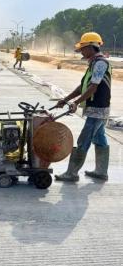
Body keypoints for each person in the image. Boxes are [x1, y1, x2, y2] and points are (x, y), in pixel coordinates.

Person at [55, 32, 111, 182]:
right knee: (100, 139)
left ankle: (71, 173)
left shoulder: (100, 63)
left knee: (83, 141)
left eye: (83, 48)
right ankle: (101, 171)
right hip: (97, 109)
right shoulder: (93, 63)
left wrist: (76, 102)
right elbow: (83, 86)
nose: (81, 52)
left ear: (92, 47)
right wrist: (65, 99)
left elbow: (93, 87)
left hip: (97, 109)